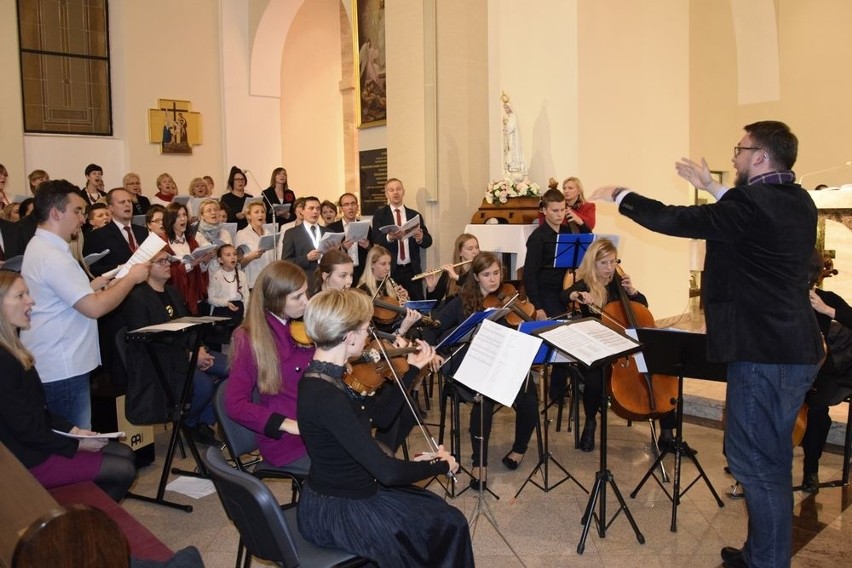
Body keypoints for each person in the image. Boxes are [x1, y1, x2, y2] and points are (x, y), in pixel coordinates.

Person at [590, 120, 824, 568]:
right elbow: (748, 219)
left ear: (759, 157)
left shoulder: (750, 206)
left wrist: (623, 196)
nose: (734, 156)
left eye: (741, 149)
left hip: (763, 354)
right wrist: (713, 188)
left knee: (755, 463)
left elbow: (677, 219)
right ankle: (759, 551)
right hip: (795, 349)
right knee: (769, 459)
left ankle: (768, 562)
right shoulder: (799, 200)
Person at [296, 288, 473, 566]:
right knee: (449, 522)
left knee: (434, 509)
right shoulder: (327, 395)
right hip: (339, 511)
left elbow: (381, 416)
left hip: (341, 492)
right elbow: (388, 472)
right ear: (349, 336)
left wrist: (412, 369)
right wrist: (441, 464)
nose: (370, 336)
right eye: (367, 329)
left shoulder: (323, 375)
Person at [20, 180, 149, 428]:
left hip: (60, 360)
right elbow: (94, 308)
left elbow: (64, 299)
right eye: (77, 211)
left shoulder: (45, 247)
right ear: (57, 213)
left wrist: (94, 286)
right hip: (63, 365)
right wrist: (131, 277)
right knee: (74, 446)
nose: (82, 218)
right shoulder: (52, 255)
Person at [0, 271, 137, 501]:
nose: (31, 301)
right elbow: (26, 429)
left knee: (125, 454)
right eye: (20, 295)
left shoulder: (14, 350)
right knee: (122, 470)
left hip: (34, 446)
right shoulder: (4, 360)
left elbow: (38, 411)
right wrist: (76, 445)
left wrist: (74, 431)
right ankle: (78, 527)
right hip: (25, 460)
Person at [426, 252, 539, 487]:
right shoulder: (461, 301)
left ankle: (519, 449)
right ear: (476, 277)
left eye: (496, 273)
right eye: (486, 275)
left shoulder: (507, 298)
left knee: (529, 394)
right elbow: (433, 327)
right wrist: (432, 350)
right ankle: (479, 463)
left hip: (501, 362)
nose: (493, 279)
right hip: (471, 364)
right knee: (483, 397)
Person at [561, 238, 661, 452]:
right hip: (596, 347)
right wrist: (578, 295)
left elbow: (642, 305)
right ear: (593, 263)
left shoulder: (619, 283)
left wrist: (633, 292)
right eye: (604, 263)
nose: (610, 268)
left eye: (613, 262)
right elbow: (565, 295)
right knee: (595, 377)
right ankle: (590, 422)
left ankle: (668, 433)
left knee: (659, 369)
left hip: (622, 347)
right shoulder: (585, 284)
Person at [122, 249, 226, 446]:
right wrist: (189, 355)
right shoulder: (137, 298)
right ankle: (190, 421)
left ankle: (204, 420)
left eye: (168, 260)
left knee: (235, 368)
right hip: (164, 359)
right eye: (160, 261)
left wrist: (200, 348)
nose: (167, 264)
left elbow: (189, 325)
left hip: (189, 351)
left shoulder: (173, 292)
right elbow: (149, 340)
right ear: (146, 268)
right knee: (203, 387)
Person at [224, 261, 314, 475]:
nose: (307, 302)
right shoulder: (249, 338)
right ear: (275, 299)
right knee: (353, 472)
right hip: (287, 441)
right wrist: (286, 424)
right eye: (297, 297)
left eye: (305, 293)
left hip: (315, 426)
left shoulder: (297, 326)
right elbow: (235, 405)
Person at [800, 250, 852, 493]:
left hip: (820, 372)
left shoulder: (826, 298)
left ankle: (811, 470)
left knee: (818, 409)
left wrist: (827, 310)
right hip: (787, 371)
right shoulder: (782, 298)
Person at [523, 187, 571, 401]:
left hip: (565, 291)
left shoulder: (569, 233)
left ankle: (565, 386)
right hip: (546, 294)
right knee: (563, 337)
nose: (560, 214)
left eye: (562, 209)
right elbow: (529, 275)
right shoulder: (538, 238)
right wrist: (538, 306)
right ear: (544, 211)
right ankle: (557, 393)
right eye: (555, 210)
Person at [371, 178, 433, 300]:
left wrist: (420, 238)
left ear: (403, 192)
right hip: (391, 270)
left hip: (412, 269)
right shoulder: (380, 214)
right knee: (393, 304)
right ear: (386, 194)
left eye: (398, 189)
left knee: (417, 304)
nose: (395, 192)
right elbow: (376, 238)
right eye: (391, 190)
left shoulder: (414, 215)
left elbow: (428, 241)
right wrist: (390, 237)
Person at [356, 245, 422, 337]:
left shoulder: (390, 284)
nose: (387, 268)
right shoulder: (363, 290)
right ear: (372, 264)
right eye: (383, 264)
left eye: (389, 263)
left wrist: (403, 303)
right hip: (380, 335)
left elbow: (396, 315)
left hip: (397, 327)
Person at [84, 188, 150, 276]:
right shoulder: (97, 235)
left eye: (129, 201)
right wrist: (120, 267)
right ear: (111, 208)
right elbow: (94, 269)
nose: (127, 205)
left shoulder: (142, 231)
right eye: (122, 202)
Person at [163, 202, 212, 315]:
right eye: (178, 216)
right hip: (177, 296)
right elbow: (166, 272)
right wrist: (190, 265)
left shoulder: (192, 240)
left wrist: (204, 262)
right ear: (170, 220)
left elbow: (201, 271)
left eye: (184, 215)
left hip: (195, 294)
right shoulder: (164, 243)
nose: (183, 219)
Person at [325, 192, 371, 283]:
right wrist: (342, 248)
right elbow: (328, 254)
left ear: (357, 207)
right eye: (346, 205)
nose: (350, 207)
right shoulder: (332, 228)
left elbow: (373, 249)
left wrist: (368, 246)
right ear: (341, 208)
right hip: (341, 272)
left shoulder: (365, 226)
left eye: (353, 204)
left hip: (362, 271)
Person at [425, 233, 479, 306]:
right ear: (460, 252)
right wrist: (431, 288)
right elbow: (433, 305)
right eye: (470, 248)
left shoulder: (480, 271)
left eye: (477, 247)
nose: (475, 252)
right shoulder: (449, 272)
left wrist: (456, 277)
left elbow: (475, 289)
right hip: (452, 315)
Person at [280, 196, 325, 280]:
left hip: (325, 280)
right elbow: (286, 262)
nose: (315, 211)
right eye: (311, 208)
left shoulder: (327, 232)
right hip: (303, 280)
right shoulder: (291, 233)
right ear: (302, 211)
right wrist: (306, 258)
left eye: (318, 209)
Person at [234, 201, 275, 290]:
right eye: (256, 212)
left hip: (270, 281)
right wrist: (251, 257)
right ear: (248, 216)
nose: (261, 214)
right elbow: (238, 263)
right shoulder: (242, 234)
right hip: (253, 281)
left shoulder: (269, 233)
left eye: (263, 212)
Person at [207, 244, 248, 325]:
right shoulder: (216, 276)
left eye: (235, 254)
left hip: (239, 310)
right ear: (220, 260)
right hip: (222, 310)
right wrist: (225, 303)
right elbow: (211, 299)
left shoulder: (241, 274)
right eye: (228, 255)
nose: (233, 257)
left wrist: (246, 315)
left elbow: (246, 297)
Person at [194, 199, 232, 278]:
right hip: (206, 277)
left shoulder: (225, 233)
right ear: (202, 215)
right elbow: (195, 264)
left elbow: (232, 257)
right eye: (209, 210)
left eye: (215, 210)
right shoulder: (197, 235)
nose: (213, 212)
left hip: (226, 275)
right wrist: (206, 259)